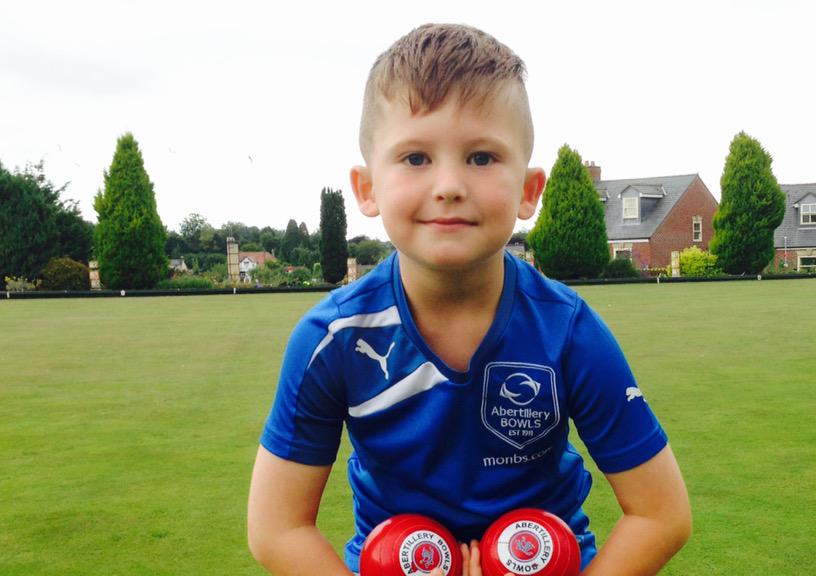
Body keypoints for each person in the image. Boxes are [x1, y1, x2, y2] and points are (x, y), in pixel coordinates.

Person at [247, 23, 691, 576]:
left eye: (481, 158)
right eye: (415, 158)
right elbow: (277, 528)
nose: (450, 185)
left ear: (528, 191)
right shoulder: (333, 338)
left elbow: (660, 513)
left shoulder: (567, 330)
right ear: (367, 188)